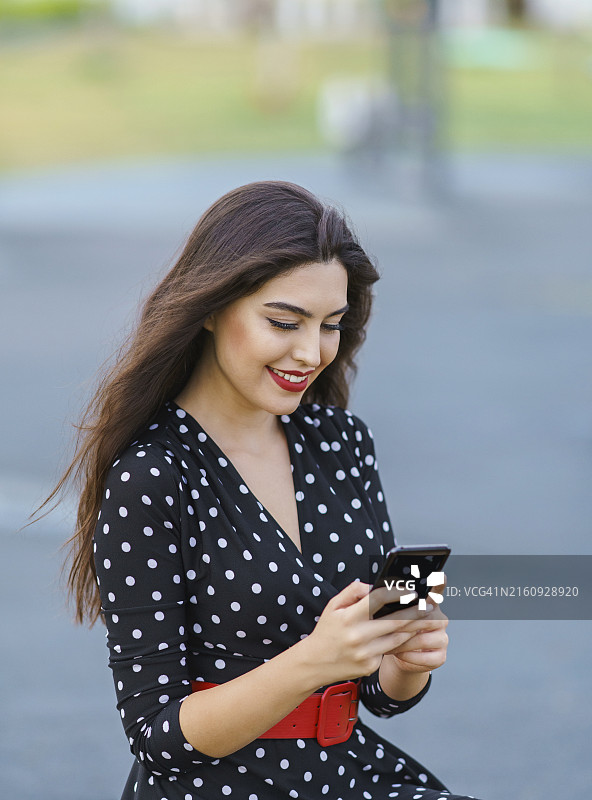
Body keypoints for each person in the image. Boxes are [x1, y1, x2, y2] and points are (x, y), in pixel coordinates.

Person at [56, 181, 481, 800]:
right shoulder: (154, 475)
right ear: (209, 307)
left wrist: (402, 663)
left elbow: (376, 696)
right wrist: (316, 657)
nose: (311, 353)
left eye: (331, 325)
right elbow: (157, 736)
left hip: (346, 771)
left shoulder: (341, 443)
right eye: (284, 322)